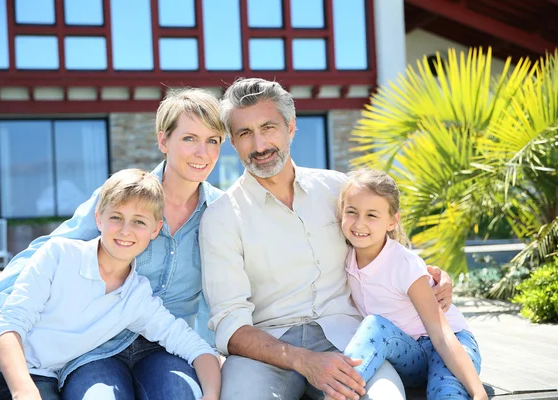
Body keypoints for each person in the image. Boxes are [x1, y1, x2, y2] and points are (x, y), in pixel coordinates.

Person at [0, 88, 226, 399]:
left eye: (213, 141)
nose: (202, 152)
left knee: (180, 394)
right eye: (190, 138)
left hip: (165, 346)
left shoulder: (220, 214)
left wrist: (213, 363)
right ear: (164, 140)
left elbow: (216, 297)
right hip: (97, 346)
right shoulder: (122, 200)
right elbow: (45, 252)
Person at [199, 77, 455, 400]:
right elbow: (230, 327)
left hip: (349, 338)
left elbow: (383, 251)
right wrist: (304, 361)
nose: (260, 145)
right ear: (233, 143)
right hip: (265, 349)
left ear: (291, 127)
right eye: (245, 133)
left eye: (268, 127)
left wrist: (429, 275)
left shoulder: (337, 189)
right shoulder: (221, 218)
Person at [334, 168, 485, 400]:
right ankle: (335, 395)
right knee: (374, 325)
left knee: (448, 394)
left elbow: (441, 334)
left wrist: (479, 393)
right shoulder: (344, 259)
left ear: (393, 221)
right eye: (352, 212)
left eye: (372, 215)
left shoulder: (404, 264)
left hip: (450, 345)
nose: (359, 224)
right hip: (408, 355)